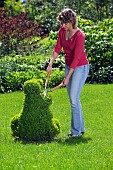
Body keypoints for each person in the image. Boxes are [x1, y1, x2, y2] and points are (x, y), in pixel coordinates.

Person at [46, 8, 90, 137]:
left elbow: (76, 59)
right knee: (74, 99)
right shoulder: (62, 31)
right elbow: (57, 48)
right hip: (68, 66)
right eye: (62, 23)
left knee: (74, 99)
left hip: (80, 67)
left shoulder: (80, 36)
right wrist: (50, 64)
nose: (63, 26)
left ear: (72, 21)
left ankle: (76, 133)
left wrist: (67, 78)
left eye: (65, 23)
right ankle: (80, 128)